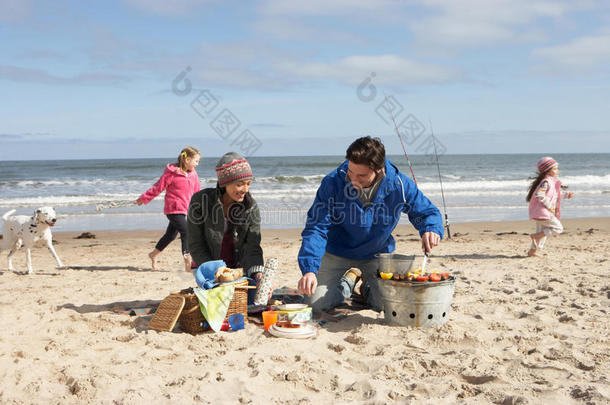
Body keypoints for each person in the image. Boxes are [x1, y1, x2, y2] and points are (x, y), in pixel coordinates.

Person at [297, 136, 444, 313]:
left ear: (379, 170)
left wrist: (430, 228)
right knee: (316, 304)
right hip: (336, 251)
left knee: (388, 305)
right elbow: (317, 227)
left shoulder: (399, 184)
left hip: (377, 254)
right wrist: (310, 269)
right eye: (350, 172)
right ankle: (348, 283)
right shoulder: (333, 182)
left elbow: (427, 212)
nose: (353, 180)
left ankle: (367, 287)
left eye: (361, 175)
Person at [187, 152, 264, 303]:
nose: (245, 189)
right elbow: (195, 244)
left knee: (252, 303)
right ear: (224, 183)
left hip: (239, 271)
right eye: (239, 184)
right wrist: (215, 272)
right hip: (207, 268)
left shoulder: (251, 206)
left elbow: (253, 246)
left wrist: (257, 273)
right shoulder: (200, 201)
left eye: (248, 183)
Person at [134, 146, 201, 271]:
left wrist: (202, 205)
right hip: (173, 209)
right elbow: (158, 187)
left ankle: (153, 254)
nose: (197, 164)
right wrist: (143, 198)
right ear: (187, 160)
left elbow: (197, 191)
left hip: (185, 208)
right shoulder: (171, 173)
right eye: (196, 161)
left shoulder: (193, 174)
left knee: (170, 235)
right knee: (186, 231)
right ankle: (187, 259)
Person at [526, 156, 574, 257]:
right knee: (558, 228)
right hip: (543, 212)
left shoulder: (550, 182)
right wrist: (550, 206)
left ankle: (532, 252)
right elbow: (539, 195)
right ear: (547, 171)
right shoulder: (546, 182)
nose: (557, 171)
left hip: (540, 212)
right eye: (555, 168)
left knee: (542, 233)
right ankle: (535, 236)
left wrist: (566, 195)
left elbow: (553, 195)